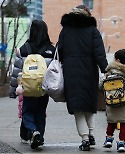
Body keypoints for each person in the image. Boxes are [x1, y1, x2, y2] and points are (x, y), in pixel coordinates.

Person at [57, 5, 108, 151]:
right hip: (89, 70)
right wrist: (106, 70)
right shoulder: (92, 30)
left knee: (77, 107)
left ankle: (85, 138)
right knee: (89, 104)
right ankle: (91, 133)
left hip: (71, 70)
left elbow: (59, 51)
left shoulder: (65, 30)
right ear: (87, 14)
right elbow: (99, 53)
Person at [9, 20, 55, 149]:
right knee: (40, 112)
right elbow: (54, 72)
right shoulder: (51, 50)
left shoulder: (23, 49)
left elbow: (16, 72)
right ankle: (39, 135)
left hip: (27, 89)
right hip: (43, 89)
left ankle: (33, 130)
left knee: (27, 112)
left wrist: (13, 91)